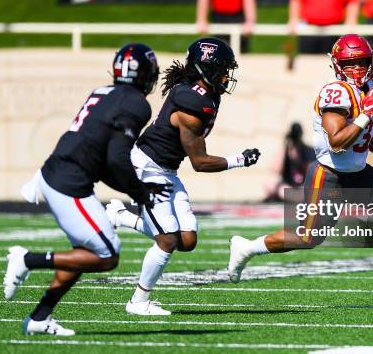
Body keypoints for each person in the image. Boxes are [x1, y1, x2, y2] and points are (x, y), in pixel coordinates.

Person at [227, 34, 373, 295]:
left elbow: (372, 142)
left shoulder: (366, 88)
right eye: (350, 64)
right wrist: (367, 113)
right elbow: (337, 142)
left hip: (357, 172)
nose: (357, 69)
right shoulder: (337, 92)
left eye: (362, 62)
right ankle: (247, 247)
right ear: (337, 65)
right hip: (329, 174)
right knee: (308, 238)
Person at [3, 43, 169, 335]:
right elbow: (117, 158)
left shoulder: (103, 92)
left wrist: (138, 188)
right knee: (107, 255)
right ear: (145, 75)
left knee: (86, 251)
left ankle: (40, 318)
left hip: (61, 172)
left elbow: (106, 163)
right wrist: (140, 193)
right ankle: (26, 259)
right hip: (68, 181)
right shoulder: (136, 104)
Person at [105, 37, 261, 315]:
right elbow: (200, 162)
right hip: (147, 169)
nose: (227, 75)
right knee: (167, 240)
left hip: (166, 170)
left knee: (187, 240)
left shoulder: (205, 93)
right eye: (223, 68)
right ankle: (138, 302)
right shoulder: (191, 101)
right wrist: (240, 160)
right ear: (206, 68)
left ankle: (120, 217)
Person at [264, 122, 315, 202]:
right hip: (288, 186)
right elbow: (275, 170)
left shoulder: (307, 151)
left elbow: (312, 174)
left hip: (303, 187)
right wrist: (285, 150)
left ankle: (296, 198)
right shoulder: (285, 151)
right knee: (270, 184)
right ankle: (295, 198)